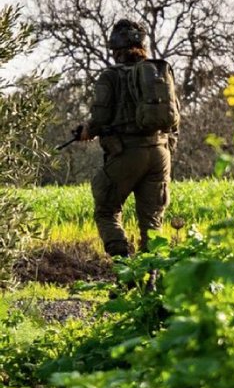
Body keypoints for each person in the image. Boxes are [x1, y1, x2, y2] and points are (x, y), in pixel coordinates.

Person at [76, 18, 181, 257]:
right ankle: (151, 282)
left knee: (106, 211)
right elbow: (175, 117)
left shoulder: (110, 76)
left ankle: (126, 269)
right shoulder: (159, 74)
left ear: (115, 47)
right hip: (160, 153)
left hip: (127, 152)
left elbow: (101, 117)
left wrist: (87, 130)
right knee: (153, 222)